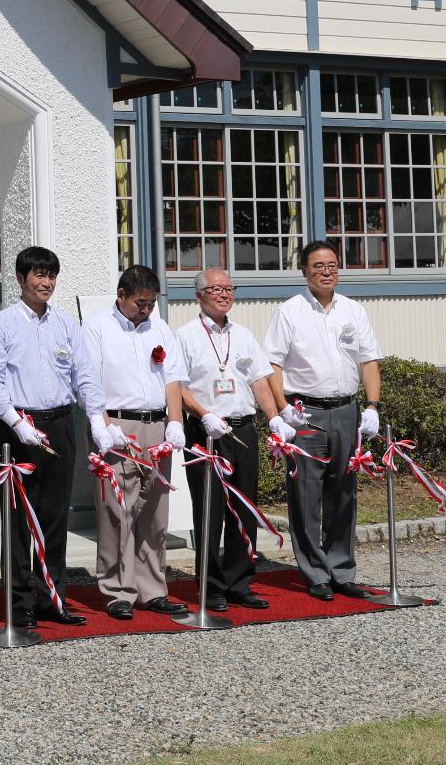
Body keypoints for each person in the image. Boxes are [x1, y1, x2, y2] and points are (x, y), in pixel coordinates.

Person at [0, 244, 124, 628]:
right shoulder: (1, 324)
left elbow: (85, 376)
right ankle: (19, 603)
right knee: (18, 518)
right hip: (18, 429)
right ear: (21, 278)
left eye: (51, 275)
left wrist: (97, 420)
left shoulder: (65, 324)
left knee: (54, 515)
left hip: (60, 425)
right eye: (38, 274)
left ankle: (52, 597)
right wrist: (15, 420)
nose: (46, 282)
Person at [263, 240, 384, 601]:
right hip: (306, 413)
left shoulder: (353, 310)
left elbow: (369, 361)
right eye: (318, 265)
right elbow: (271, 364)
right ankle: (314, 571)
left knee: (343, 492)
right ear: (304, 271)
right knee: (306, 493)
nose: (326, 271)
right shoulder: (289, 312)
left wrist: (372, 406)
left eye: (332, 264)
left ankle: (341, 568)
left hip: (347, 410)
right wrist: (282, 410)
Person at [80, 264, 193, 620]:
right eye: (139, 303)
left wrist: (175, 422)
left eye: (150, 303)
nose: (145, 309)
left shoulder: (160, 327)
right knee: (116, 509)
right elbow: (89, 380)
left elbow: (173, 377)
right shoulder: (98, 327)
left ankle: (152, 587)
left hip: (156, 423)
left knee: (154, 509)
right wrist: (103, 424)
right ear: (121, 295)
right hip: (116, 424)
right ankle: (116, 589)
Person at [174, 267, 288, 612]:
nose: (224, 294)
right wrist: (203, 414)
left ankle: (240, 581)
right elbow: (176, 386)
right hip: (205, 431)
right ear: (199, 296)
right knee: (209, 510)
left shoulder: (243, 335)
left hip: (241, 429)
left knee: (244, 508)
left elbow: (259, 380)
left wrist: (275, 419)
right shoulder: (185, 336)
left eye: (229, 288)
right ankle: (211, 585)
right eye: (215, 289)